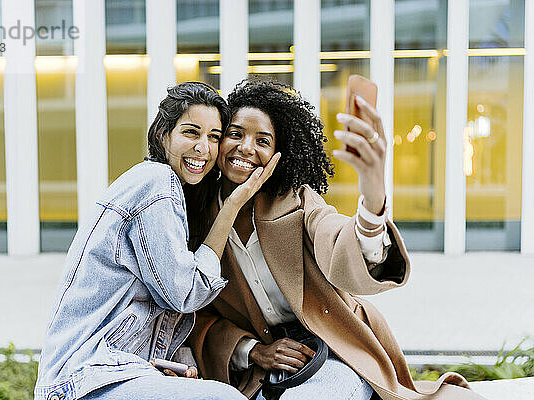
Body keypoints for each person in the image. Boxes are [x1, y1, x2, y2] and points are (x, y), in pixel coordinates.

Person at [188, 80, 485, 400]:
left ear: (278, 154)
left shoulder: (298, 202)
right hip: (261, 371)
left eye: (263, 140)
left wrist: (373, 203)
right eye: (236, 134)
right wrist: (253, 350)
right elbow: (199, 315)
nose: (246, 148)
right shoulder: (198, 220)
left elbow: (336, 237)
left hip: (334, 348)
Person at [34, 82, 280, 400]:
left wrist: (170, 367)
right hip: (83, 379)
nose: (204, 148)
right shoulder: (156, 182)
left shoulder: (171, 193)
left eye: (214, 137)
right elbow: (185, 293)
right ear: (164, 135)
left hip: (116, 373)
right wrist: (233, 205)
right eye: (191, 132)